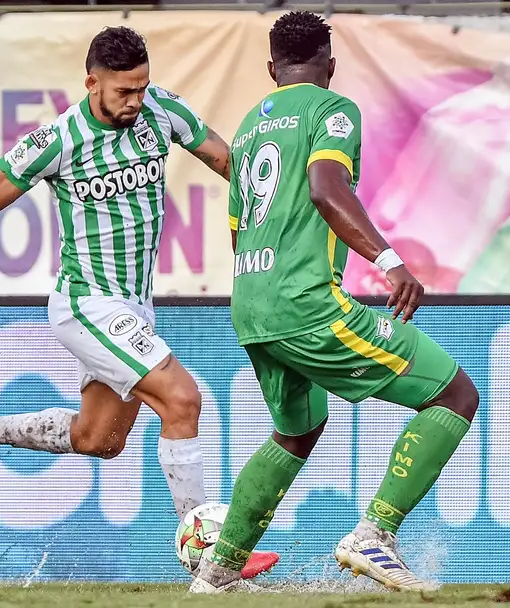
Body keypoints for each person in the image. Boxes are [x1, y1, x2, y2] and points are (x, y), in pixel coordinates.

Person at [0, 25, 278, 579]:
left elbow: (229, 162)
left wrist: (274, 212)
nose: (135, 100)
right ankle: (210, 557)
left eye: (142, 87)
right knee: (182, 400)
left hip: (135, 307)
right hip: (87, 305)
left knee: (101, 440)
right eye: (124, 91)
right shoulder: (58, 139)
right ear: (91, 82)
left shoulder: (160, 111)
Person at [189, 11, 479, 594]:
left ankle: (217, 573)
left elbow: (239, 229)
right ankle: (375, 533)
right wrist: (389, 260)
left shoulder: (248, 129)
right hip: (307, 304)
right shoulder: (332, 110)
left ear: (272, 68)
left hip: (252, 306)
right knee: (454, 393)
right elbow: (327, 187)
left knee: (297, 430)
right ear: (330, 62)